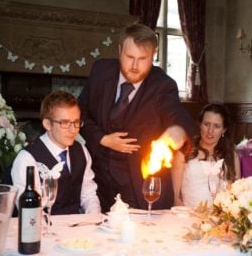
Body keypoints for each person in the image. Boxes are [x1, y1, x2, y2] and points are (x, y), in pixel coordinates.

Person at [78, 23, 195, 212]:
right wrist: (102, 138)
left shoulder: (163, 85)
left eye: (143, 59)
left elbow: (177, 114)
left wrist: (179, 129)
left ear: (153, 55)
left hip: (140, 187)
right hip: (98, 181)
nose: (134, 66)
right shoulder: (101, 71)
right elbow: (80, 112)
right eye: (129, 57)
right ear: (119, 50)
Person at [11, 91, 100, 214]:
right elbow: (29, 212)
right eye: (64, 123)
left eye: (76, 122)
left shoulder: (82, 151)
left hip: (77, 227)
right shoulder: (27, 159)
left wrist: (93, 219)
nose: (73, 129)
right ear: (47, 124)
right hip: (43, 229)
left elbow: (88, 194)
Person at [172, 103, 241, 207]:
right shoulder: (184, 151)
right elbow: (175, 197)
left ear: (224, 130)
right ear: (200, 124)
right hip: (188, 214)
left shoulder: (231, 154)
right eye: (206, 124)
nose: (210, 131)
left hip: (222, 217)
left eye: (216, 126)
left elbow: (237, 191)